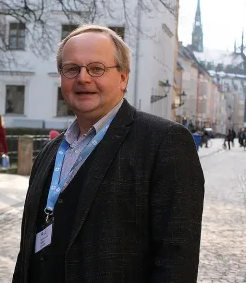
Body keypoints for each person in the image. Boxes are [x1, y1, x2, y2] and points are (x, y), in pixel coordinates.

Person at [12, 25, 205, 283]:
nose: (83, 78)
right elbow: (28, 252)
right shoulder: (50, 152)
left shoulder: (164, 143)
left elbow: (176, 260)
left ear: (123, 77)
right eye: (72, 69)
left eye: (96, 68)